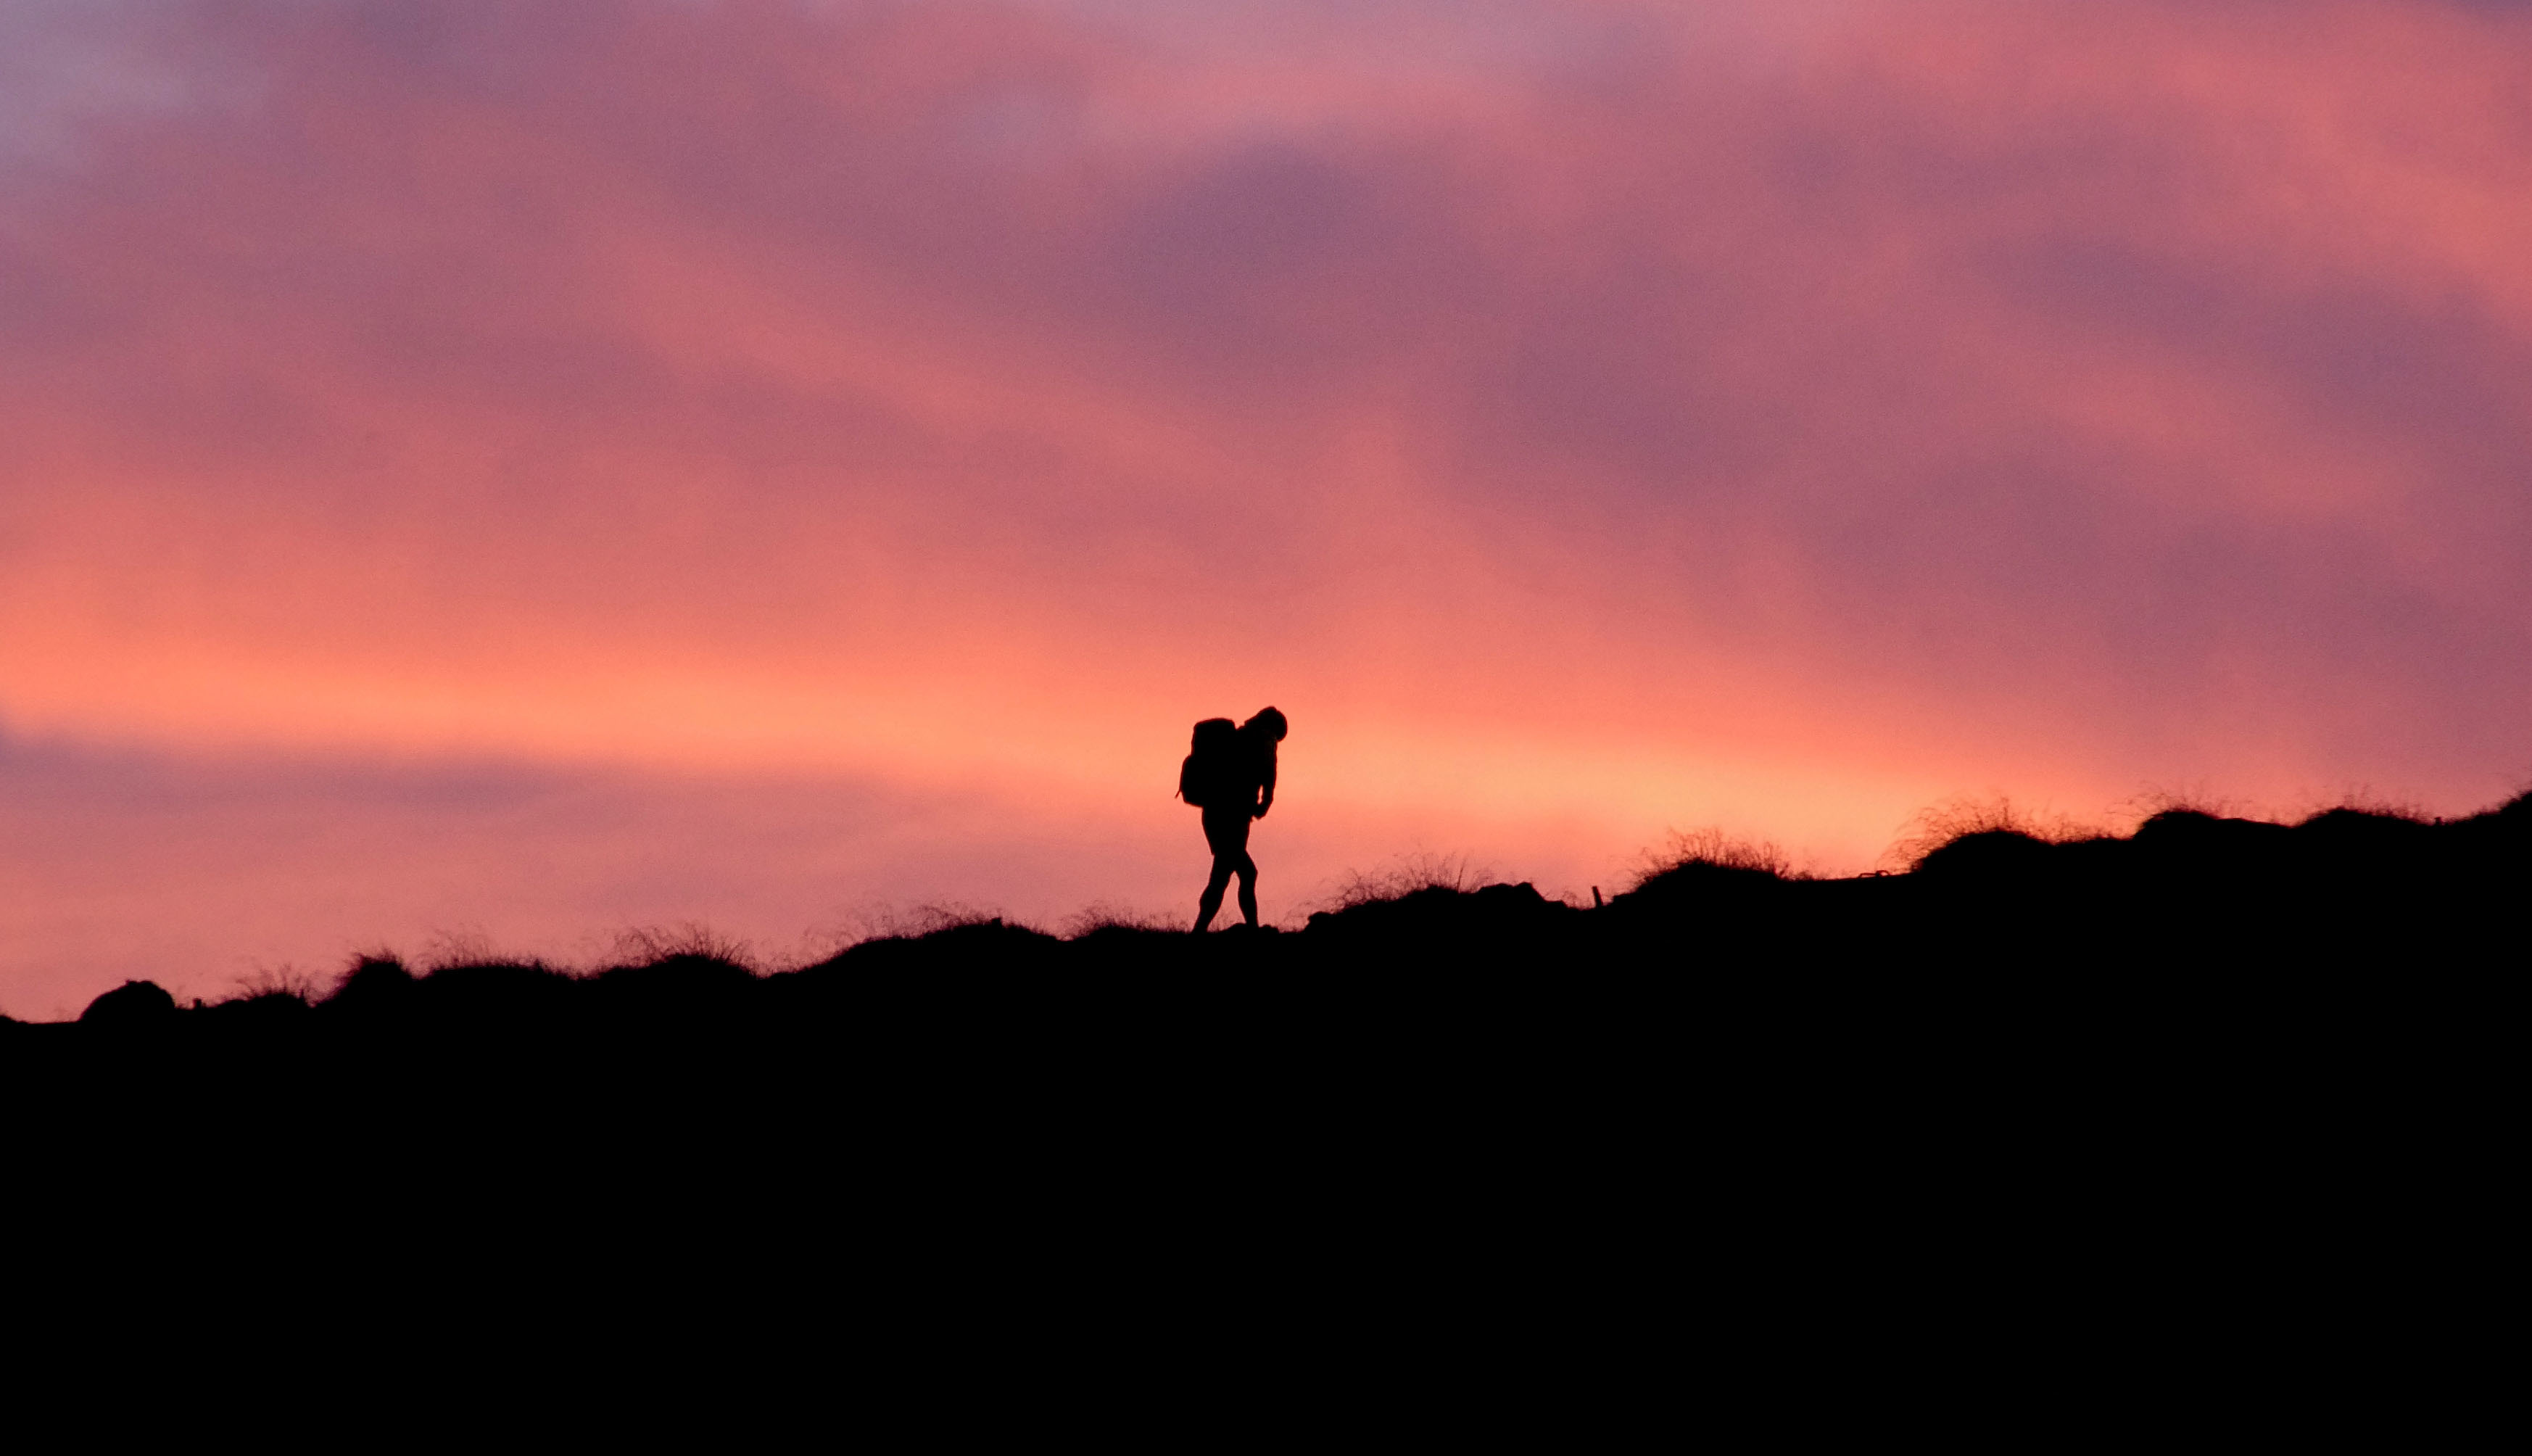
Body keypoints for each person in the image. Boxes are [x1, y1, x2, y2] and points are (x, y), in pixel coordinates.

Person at [1181, 707, 1288, 932]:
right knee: (1229, 874)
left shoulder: (1237, 737)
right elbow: (1269, 774)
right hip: (1235, 816)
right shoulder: (1263, 738)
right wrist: (1264, 804)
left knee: (1231, 873)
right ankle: (1204, 930)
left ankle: (1238, 927)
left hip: (1214, 813)